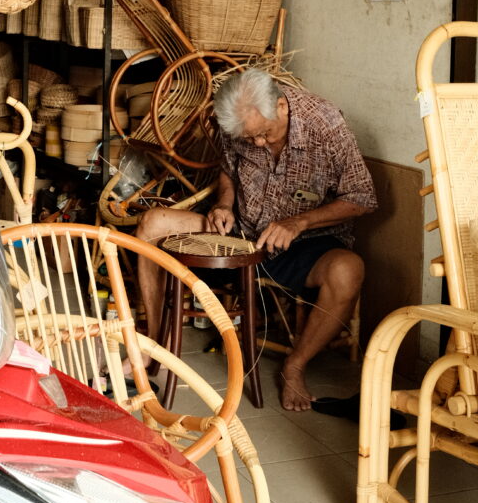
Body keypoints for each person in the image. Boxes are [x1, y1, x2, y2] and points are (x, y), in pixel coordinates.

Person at [135, 68, 377, 411]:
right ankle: (156, 343)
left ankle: (294, 366)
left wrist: (299, 222)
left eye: (264, 134)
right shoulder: (238, 123)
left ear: (281, 106)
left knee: (349, 270)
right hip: (239, 234)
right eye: (250, 140)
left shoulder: (325, 124)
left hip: (303, 243)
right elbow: (228, 170)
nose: (259, 144)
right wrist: (223, 204)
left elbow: (363, 198)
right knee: (152, 223)